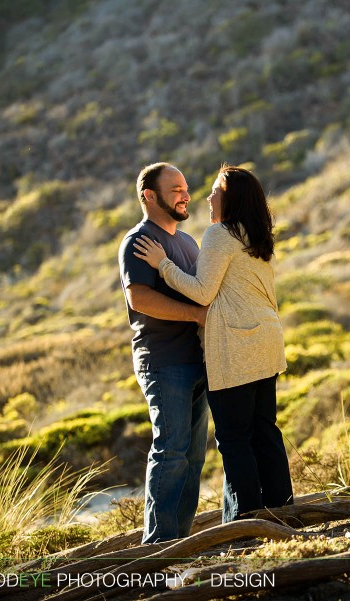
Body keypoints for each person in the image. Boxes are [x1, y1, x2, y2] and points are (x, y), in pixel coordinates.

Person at [133, 164, 293, 522]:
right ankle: (282, 509)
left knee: (235, 439)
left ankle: (247, 522)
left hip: (235, 348)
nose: (207, 197)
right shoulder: (255, 235)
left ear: (231, 198)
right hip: (267, 342)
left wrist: (162, 264)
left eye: (216, 191)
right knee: (265, 431)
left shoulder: (219, 234)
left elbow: (203, 293)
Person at [118, 162, 210, 543]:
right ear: (149, 196)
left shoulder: (188, 242)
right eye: (175, 190)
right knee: (171, 451)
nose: (185, 195)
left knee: (193, 458)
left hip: (200, 360)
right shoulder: (139, 240)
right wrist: (194, 315)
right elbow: (139, 298)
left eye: (185, 188)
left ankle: (181, 542)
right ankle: (159, 546)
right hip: (164, 361)